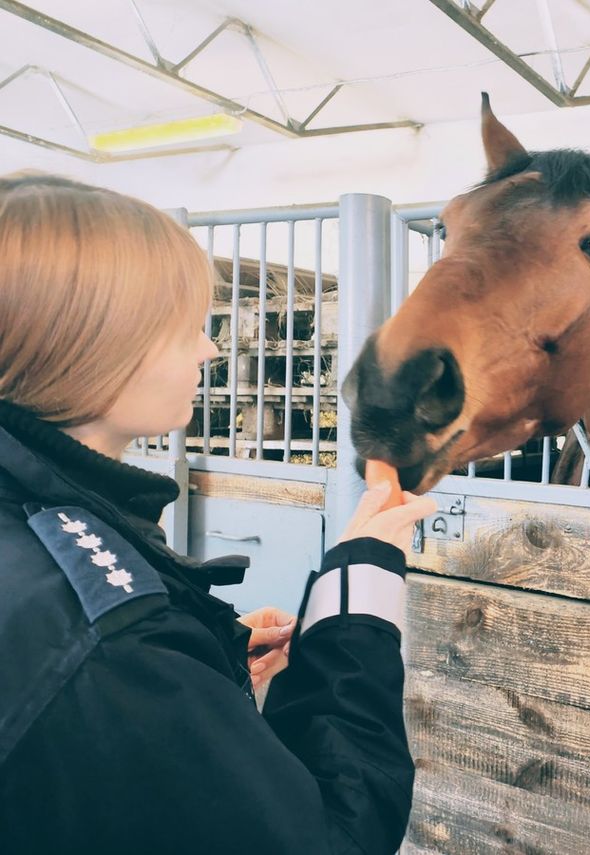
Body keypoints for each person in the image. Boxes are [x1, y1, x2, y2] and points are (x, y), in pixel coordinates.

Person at [0, 172, 436, 853]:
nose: (209, 349)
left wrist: (206, 658)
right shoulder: (115, 644)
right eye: (183, 329)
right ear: (95, 344)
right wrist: (361, 598)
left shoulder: (41, 535)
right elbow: (331, 839)